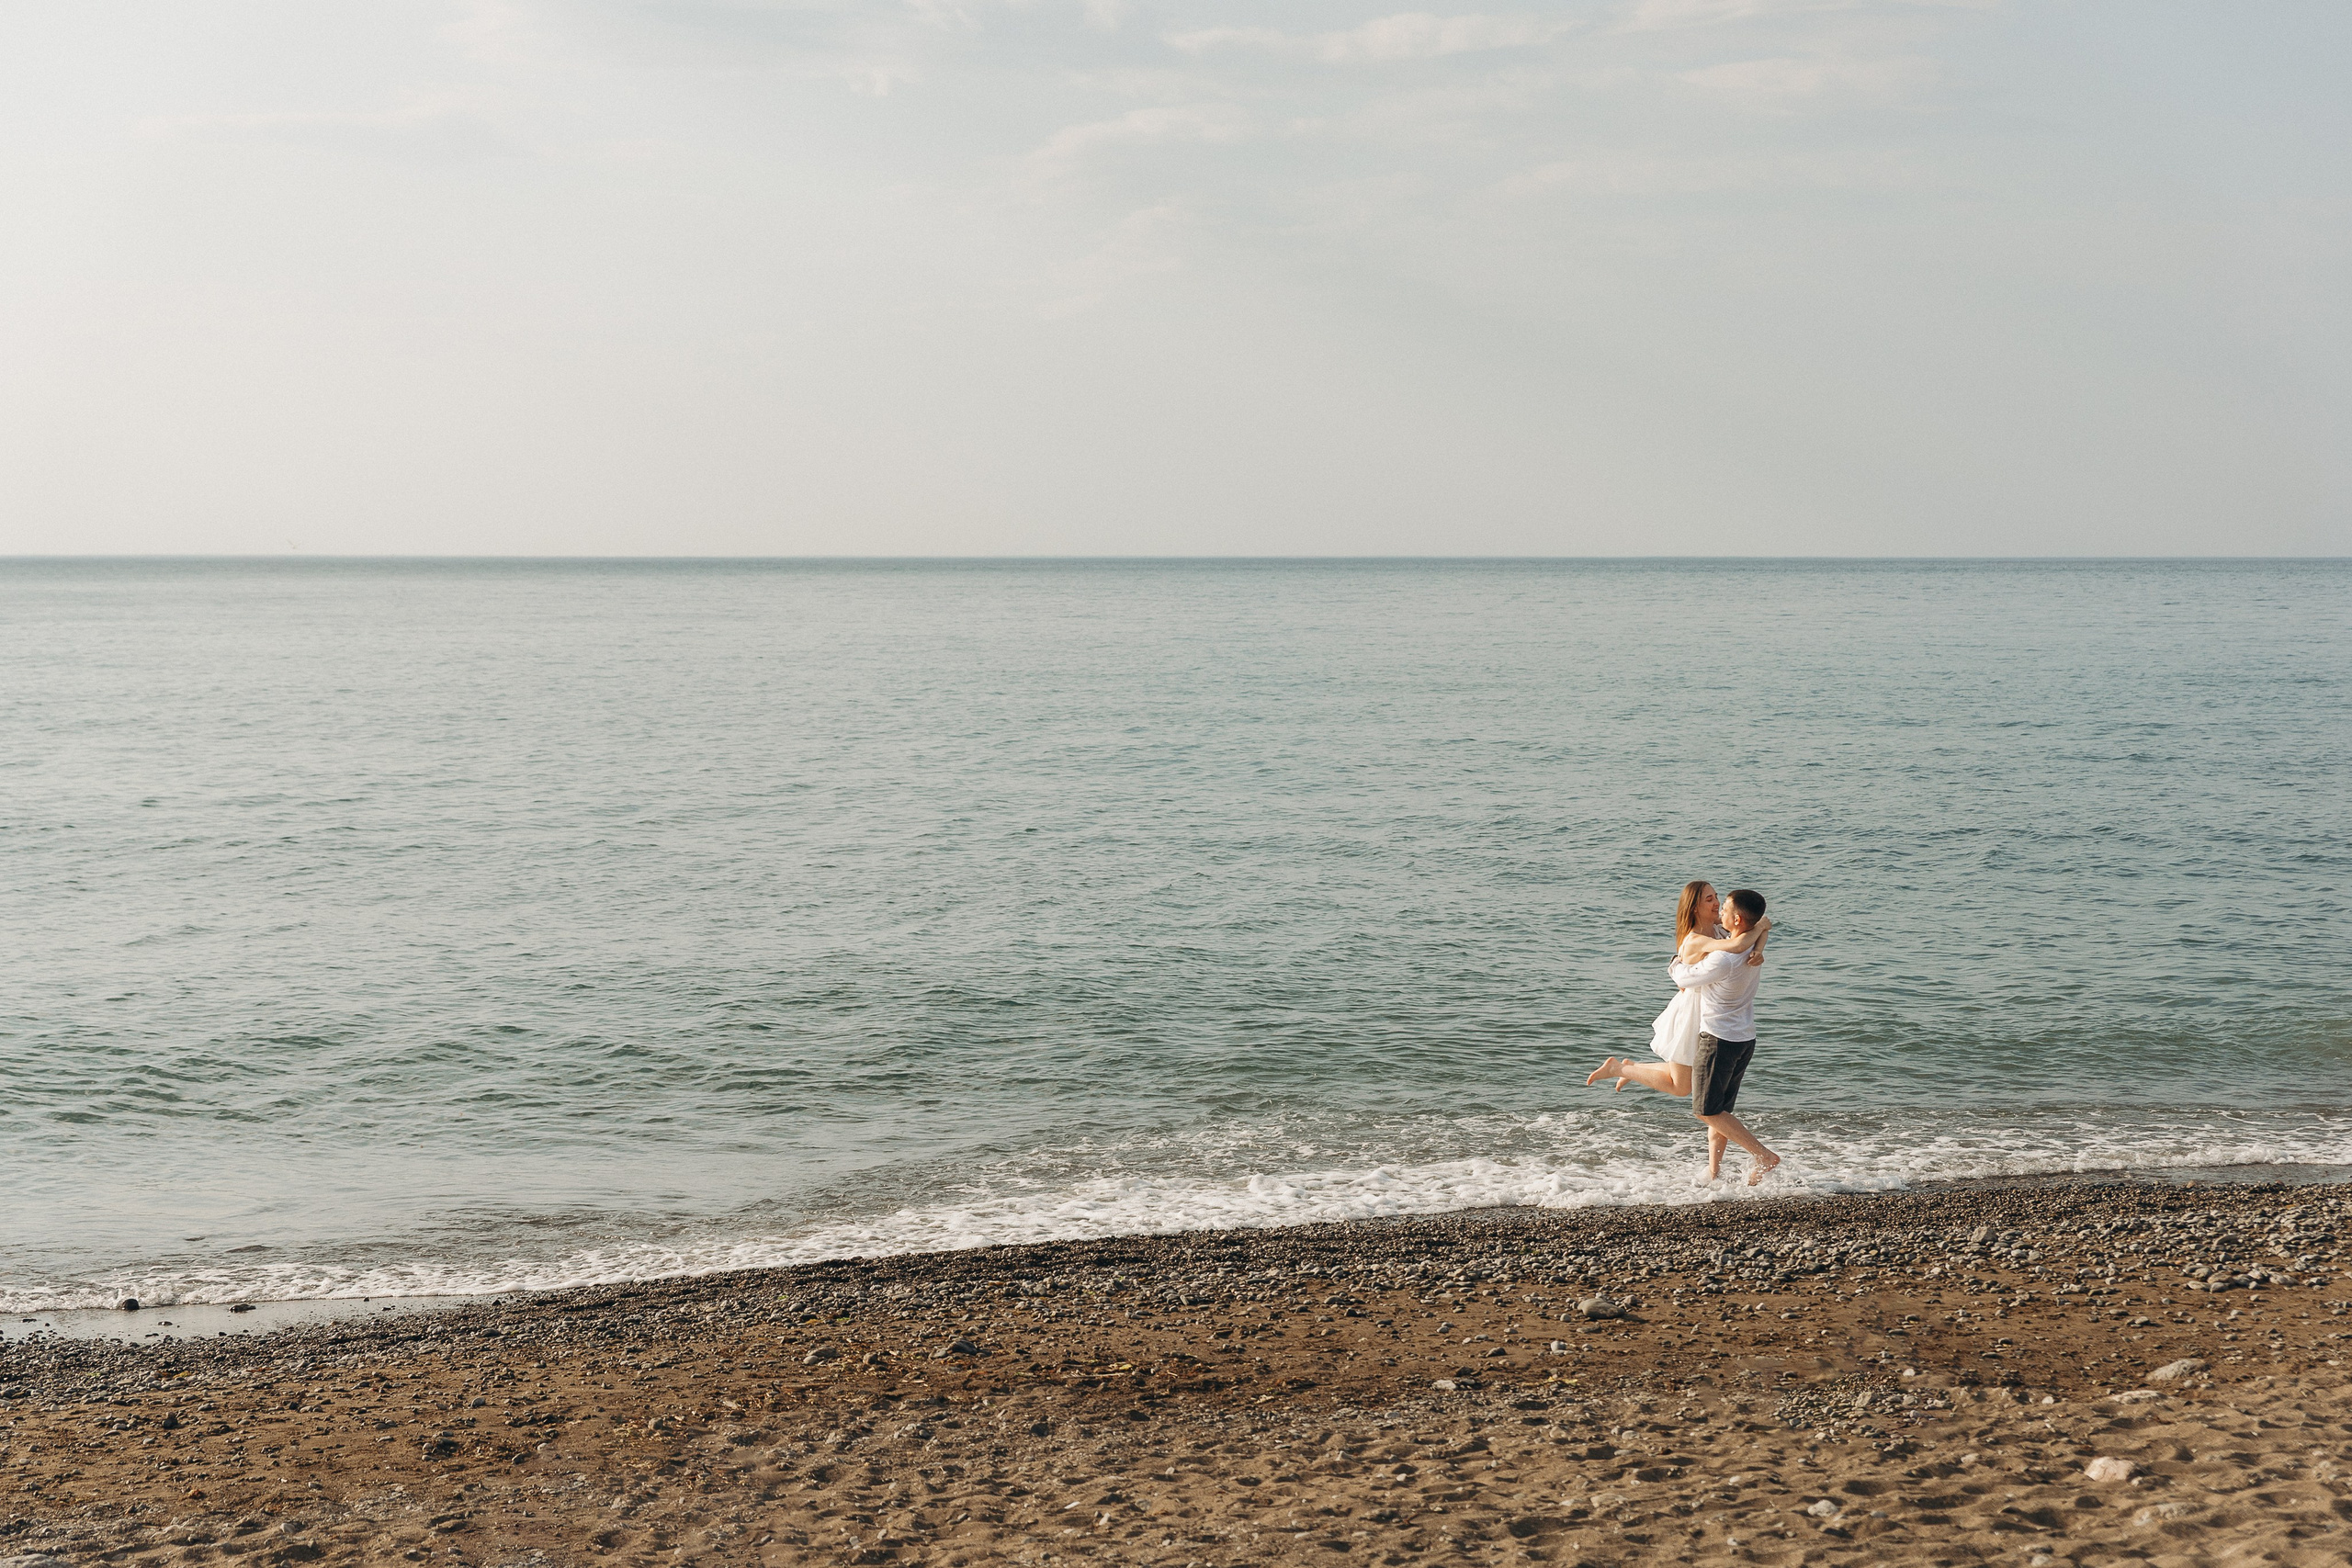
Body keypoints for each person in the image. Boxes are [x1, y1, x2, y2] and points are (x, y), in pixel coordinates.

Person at [1586, 881, 1783, 1185]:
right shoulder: (1701, 940)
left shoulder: (1723, 933)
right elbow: (1737, 943)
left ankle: (1722, 1167)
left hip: (1714, 1023)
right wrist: (1756, 942)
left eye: (1719, 899)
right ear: (1695, 907)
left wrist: (1759, 941)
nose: (1717, 904)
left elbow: (1752, 929)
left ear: (1736, 918)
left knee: (1711, 1106)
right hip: (1695, 1015)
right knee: (1693, 1094)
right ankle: (1624, 1068)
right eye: (1710, 899)